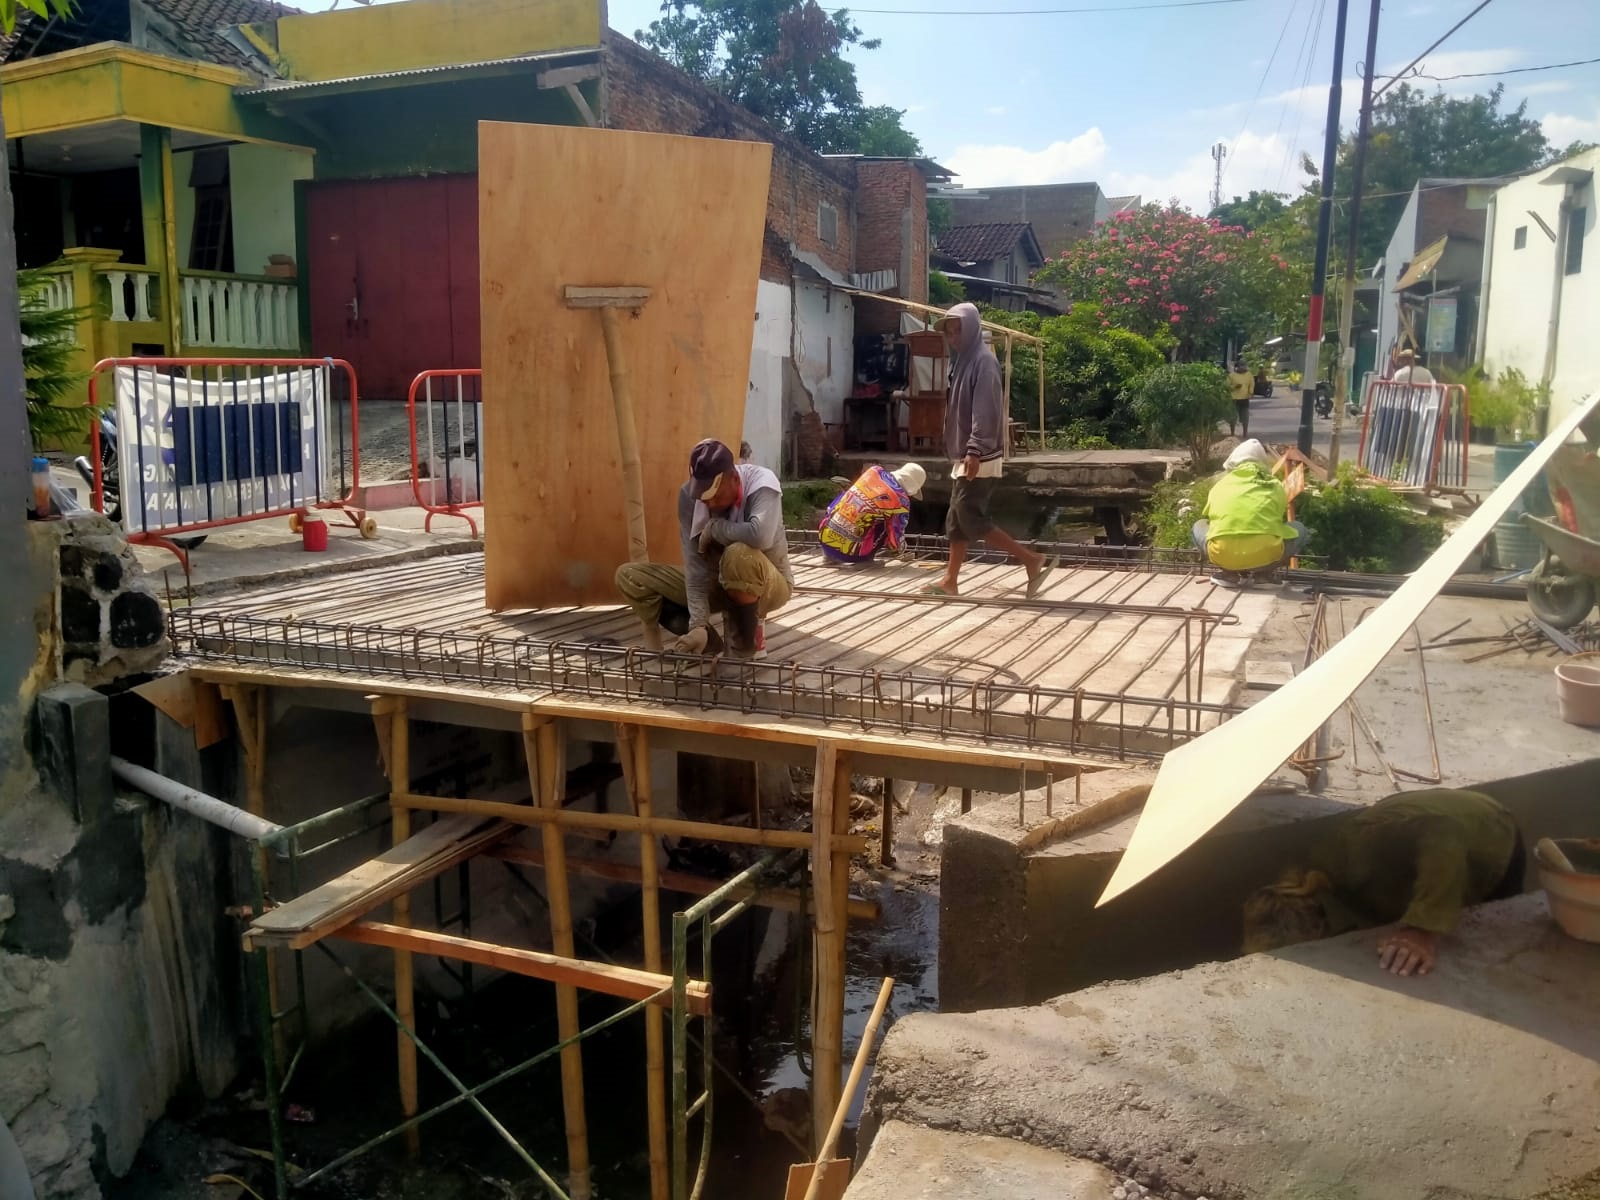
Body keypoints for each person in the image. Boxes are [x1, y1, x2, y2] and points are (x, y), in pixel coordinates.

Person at [1242, 788, 1524, 978]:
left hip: (1488, 832)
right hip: (1430, 831)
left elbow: (1443, 831)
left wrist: (1422, 928)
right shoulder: (1314, 878)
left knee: (1497, 956)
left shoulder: (1357, 855)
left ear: (1317, 926)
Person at [614, 438, 793, 658]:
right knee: (630, 577)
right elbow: (695, 567)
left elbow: (760, 536)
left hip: (768, 587)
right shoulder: (690, 497)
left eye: (715, 496)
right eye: (703, 498)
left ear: (734, 479)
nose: (709, 504)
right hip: (717, 583)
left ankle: (742, 650)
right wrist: (698, 624)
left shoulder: (762, 483)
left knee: (738, 554)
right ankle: (708, 643)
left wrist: (716, 528)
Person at [926, 301, 1050, 598]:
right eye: (950, 333)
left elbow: (985, 411)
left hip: (979, 456)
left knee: (969, 516)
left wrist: (974, 449)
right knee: (956, 520)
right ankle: (950, 580)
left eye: (958, 331)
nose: (953, 338)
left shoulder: (983, 362)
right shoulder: (963, 362)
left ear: (971, 329)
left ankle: (1030, 559)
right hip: (967, 453)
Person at [1190, 439, 1307, 584]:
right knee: (1299, 528)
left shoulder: (1220, 485)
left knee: (1199, 525)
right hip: (1266, 555)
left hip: (1223, 555)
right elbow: (1278, 517)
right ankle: (1264, 576)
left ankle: (1228, 574)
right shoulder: (1275, 485)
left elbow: (1210, 517)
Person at [818, 462, 925, 564]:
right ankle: (865, 560)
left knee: (847, 497)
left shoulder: (874, 471)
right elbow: (895, 537)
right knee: (888, 524)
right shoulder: (901, 502)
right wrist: (900, 550)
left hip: (824, 539)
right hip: (852, 554)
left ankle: (829, 555)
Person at [1227, 358, 1256, 437]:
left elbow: (1252, 384)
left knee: (1245, 417)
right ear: (1238, 366)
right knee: (1233, 417)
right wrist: (1234, 387)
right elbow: (1227, 386)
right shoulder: (1232, 375)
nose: (1243, 367)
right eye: (1241, 366)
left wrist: (1251, 392)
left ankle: (1245, 434)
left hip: (1245, 399)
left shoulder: (1249, 375)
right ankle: (1232, 434)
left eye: (1244, 366)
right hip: (1234, 399)